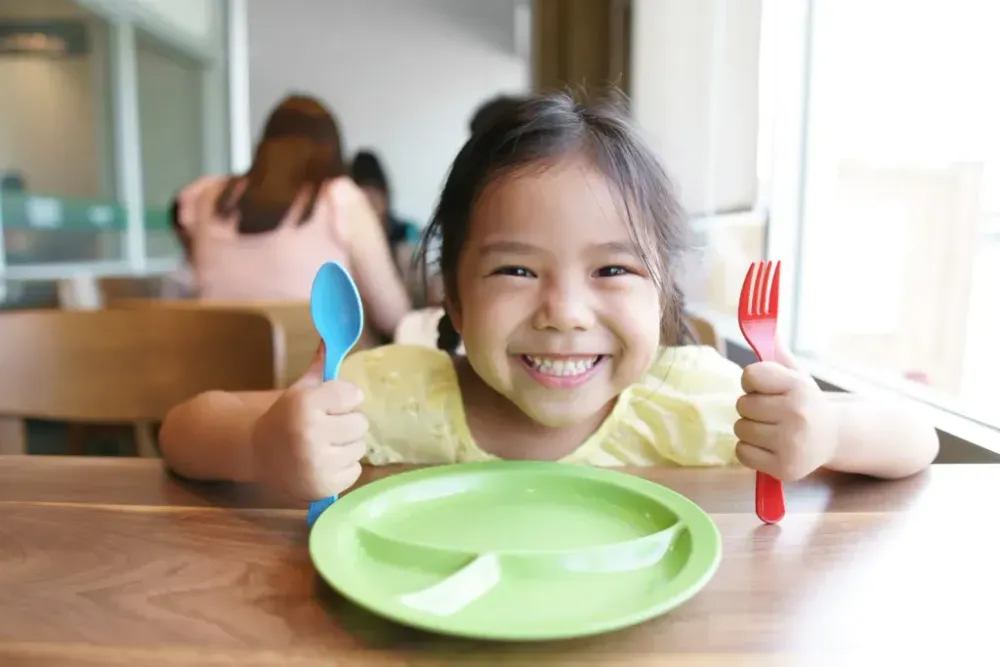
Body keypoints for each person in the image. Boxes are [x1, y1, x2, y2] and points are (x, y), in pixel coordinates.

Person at [158, 92, 939, 503]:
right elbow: (183, 432)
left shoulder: (696, 398)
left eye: (612, 271)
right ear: (453, 298)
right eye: (517, 271)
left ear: (662, 291)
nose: (564, 311)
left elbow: (917, 438)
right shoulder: (390, 390)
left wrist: (826, 432)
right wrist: (265, 445)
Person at [173, 94, 411, 339]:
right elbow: (391, 315)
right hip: (319, 371)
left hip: (213, 366)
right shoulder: (338, 198)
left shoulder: (205, 197)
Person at [349, 149, 421, 284]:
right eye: (363, 202)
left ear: (385, 196)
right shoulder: (350, 240)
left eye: (374, 199)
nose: (370, 210)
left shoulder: (407, 232)